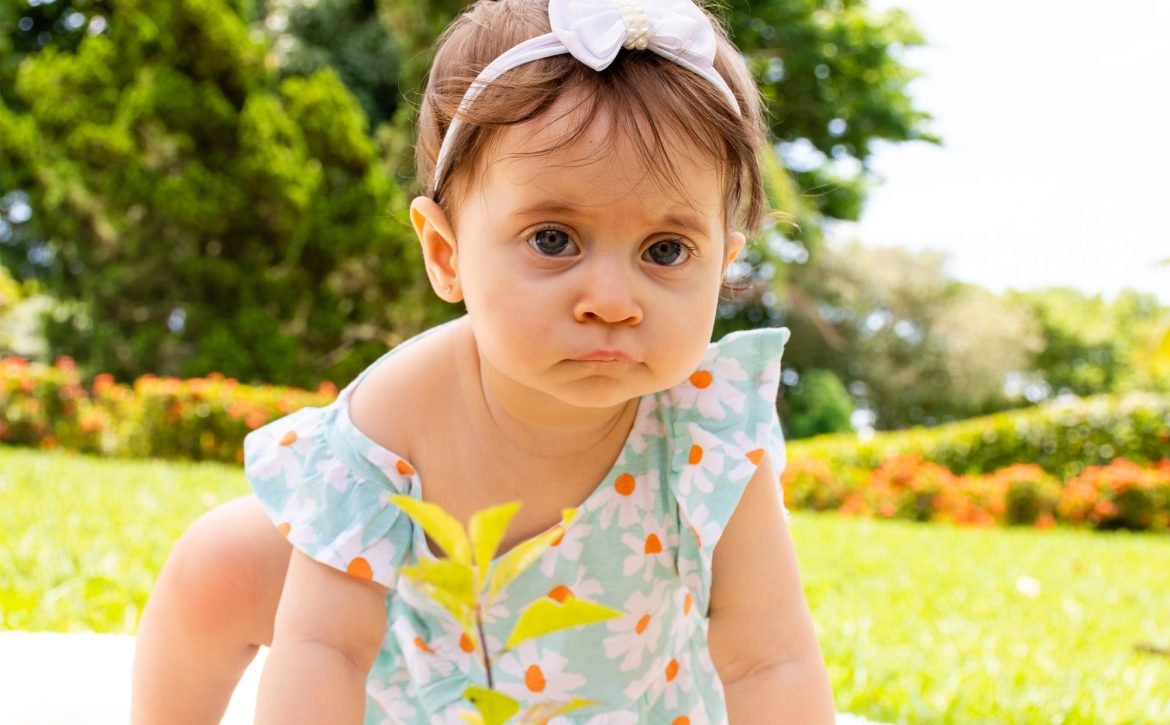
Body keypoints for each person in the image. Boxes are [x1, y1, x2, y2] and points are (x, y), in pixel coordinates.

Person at [131, 0, 835, 722]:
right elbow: (327, 649)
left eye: (666, 251)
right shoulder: (397, 415)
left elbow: (768, 656)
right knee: (222, 558)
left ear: (722, 266)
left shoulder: (709, 427)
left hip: (628, 701)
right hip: (419, 689)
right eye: (554, 239)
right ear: (446, 252)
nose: (613, 300)